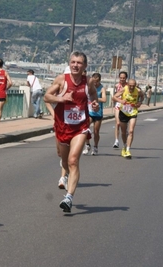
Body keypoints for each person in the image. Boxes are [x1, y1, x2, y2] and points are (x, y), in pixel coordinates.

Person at [44, 51, 99, 213]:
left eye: (79, 63)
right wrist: (61, 99)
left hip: (80, 127)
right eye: (73, 62)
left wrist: (94, 104)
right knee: (64, 158)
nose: (75, 65)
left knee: (74, 160)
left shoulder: (88, 82)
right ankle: (66, 173)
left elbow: (93, 96)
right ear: (69, 64)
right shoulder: (62, 80)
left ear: (85, 66)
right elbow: (47, 97)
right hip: (63, 126)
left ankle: (69, 198)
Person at [112, 78, 144, 159]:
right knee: (123, 132)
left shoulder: (138, 91)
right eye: (130, 86)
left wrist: (140, 102)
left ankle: (128, 150)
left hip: (133, 112)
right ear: (128, 85)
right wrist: (120, 100)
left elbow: (142, 96)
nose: (132, 88)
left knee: (131, 131)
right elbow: (114, 97)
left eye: (133, 86)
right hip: (123, 112)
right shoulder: (124, 89)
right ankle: (125, 146)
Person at [82, 72, 107, 156]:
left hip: (98, 112)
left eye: (97, 82)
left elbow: (104, 99)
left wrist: (95, 98)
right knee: (85, 129)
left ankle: (95, 147)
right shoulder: (89, 87)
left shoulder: (102, 88)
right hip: (89, 111)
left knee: (96, 131)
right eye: (94, 81)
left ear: (100, 81)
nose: (95, 83)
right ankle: (87, 145)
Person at [112, 71, 128, 148]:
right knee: (118, 123)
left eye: (123, 78)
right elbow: (114, 96)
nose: (122, 79)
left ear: (126, 78)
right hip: (118, 105)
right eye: (121, 78)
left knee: (123, 126)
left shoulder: (128, 86)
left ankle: (125, 135)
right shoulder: (117, 85)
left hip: (126, 106)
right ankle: (116, 141)